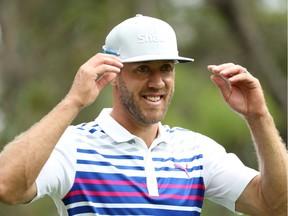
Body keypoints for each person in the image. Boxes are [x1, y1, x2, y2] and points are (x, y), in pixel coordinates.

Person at [0, 14, 286, 216]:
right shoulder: (74, 147)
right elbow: (6, 186)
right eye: (142, 69)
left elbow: (276, 206)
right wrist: (73, 102)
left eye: (166, 68)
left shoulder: (196, 151)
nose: (157, 82)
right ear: (112, 74)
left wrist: (259, 117)